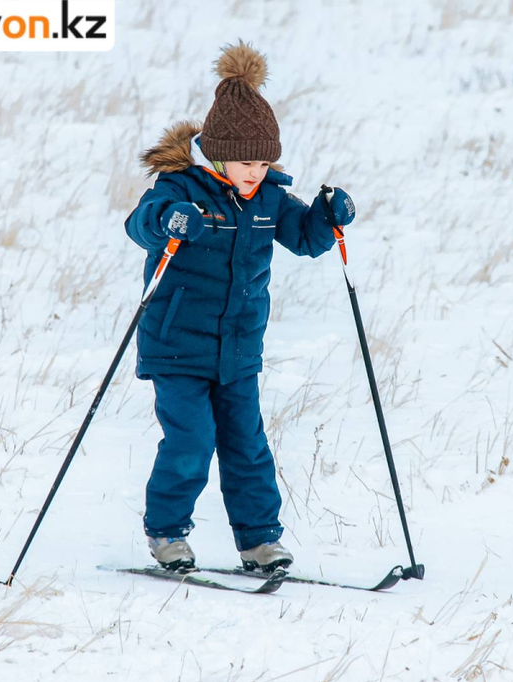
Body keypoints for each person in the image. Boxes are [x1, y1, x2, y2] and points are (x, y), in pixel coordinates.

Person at [123, 41, 356, 573]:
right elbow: (142, 221)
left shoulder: (268, 196)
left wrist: (327, 215)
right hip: (177, 345)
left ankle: (258, 541)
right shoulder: (182, 187)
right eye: (246, 162)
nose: (256, 172)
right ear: (219, 154)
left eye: (264, 161)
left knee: (247, 446)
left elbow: (303, 236)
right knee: (191, 441)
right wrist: (168, 221)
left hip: (238, 350)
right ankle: (167, 534)